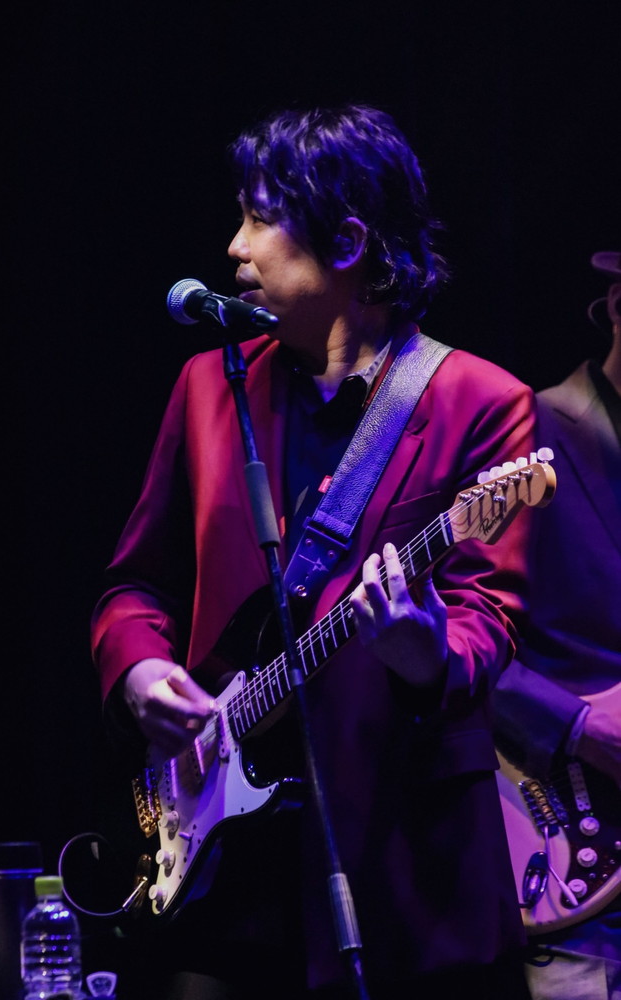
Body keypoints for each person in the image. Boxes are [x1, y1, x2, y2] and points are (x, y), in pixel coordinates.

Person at [90, 103, 537, 1000]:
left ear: (345, 241)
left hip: (408, 871)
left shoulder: (481, 402)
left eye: (260, 218)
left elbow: (489, 623)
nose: (234, 247)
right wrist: (137, 670)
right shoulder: (207, 388)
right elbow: (136, 584)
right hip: (229, 879)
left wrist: (424, 651)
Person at [491, 250, 621, 999]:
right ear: (617, 305)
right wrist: (574, 724)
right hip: (576, 851)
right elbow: (447, 632)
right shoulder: (530, 428)